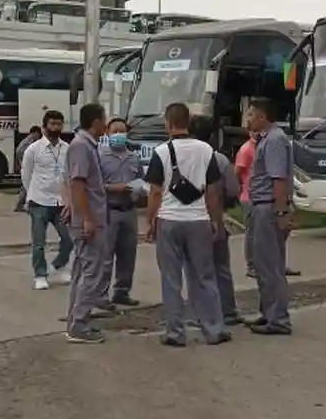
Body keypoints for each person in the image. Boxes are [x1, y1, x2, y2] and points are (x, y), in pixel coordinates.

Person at [142, 103, 230, 347]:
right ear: (189, 122)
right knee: (204, 276)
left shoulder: (161, 152)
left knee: (171, 279)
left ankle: (175, 332)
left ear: (168, 124)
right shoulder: (206, 150)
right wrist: (215, 220)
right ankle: (214, 328)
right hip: (199, 220)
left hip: (170, 220)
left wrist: (150, 221)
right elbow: (213, 191)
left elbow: (155, 192)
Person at [243, 98, 294, 336]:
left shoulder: (274, 140)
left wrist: (281, 211)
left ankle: (278, 319)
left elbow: (278, 180)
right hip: (261, 206)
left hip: (268, 207)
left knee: (271, 266)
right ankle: (268, 313)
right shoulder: (267, 139)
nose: (248, 119)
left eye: (252, 114)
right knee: (263, 265)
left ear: (263, 117)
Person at [64, 103, 110, 343]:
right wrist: (87, 219)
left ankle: (75, 319)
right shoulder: (82, 146)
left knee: (82, 272)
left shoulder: (86, 146)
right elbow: (78, 184)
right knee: (91, 273)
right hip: (89, 221)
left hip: (88, 218)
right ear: (95, 122)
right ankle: (79, 324)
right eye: (104, 120)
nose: (107, 124)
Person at [191, 115, 243, 325]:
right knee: (221, 267)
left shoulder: (182, 157)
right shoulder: (220, 160)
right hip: (216, 219)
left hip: (190, 220)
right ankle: (228, 311)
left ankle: (199, 313)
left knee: (196, 270)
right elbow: (233, 190)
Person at [21, 111, 73, 290]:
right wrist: (31, 195)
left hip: (60, 202)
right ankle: (40, 275)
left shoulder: (67, 148)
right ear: (44, 127)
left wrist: (69, 200)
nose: (56, 127)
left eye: (59, 124)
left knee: (69, 238)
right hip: (39, 201)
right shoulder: (33, 149)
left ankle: (58, 265)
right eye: (52, 124)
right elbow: (26, 175)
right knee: (39, 242)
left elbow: (69, 176)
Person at [96, 117, 143, 307]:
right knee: (105, 256)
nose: (119, 135)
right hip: (108, 211)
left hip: (129, 211)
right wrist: (114, 188)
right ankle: (100, 295)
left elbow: (141, 178)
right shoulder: (99, 155)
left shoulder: (133, 157)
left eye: (122, 131)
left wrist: (141, 190)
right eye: (115, 131)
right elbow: (94, 185)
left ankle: (122, 292)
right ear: (107, 133)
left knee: (128, 254)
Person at [234, 132, 258, 279]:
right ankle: (251, 265)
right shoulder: (246, 149)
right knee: (251, 234)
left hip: (261, 196)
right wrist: (239, 189)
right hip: (248, 197)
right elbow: (237, 171)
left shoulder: (263, 146)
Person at [15, 125, 42, 212]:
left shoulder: (29, 140)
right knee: (26, 186)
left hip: (27, 167)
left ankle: (23, 205)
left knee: (27, 186)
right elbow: (19, 152)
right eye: (38, 134)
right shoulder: (29, 141)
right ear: (35, 133)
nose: (39, 136)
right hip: (27, 167)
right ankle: (21, 205)